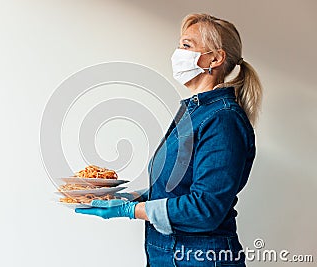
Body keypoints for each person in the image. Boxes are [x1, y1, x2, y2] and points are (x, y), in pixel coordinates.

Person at [76, 13, 262, 267]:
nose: (177, 53)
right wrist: (132, 197)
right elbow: (177, 188)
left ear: (215, 58)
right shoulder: (195, 112)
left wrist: (130, 212)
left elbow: (205, 208)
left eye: (186, 45)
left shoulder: (223, 120)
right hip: (170, 254)